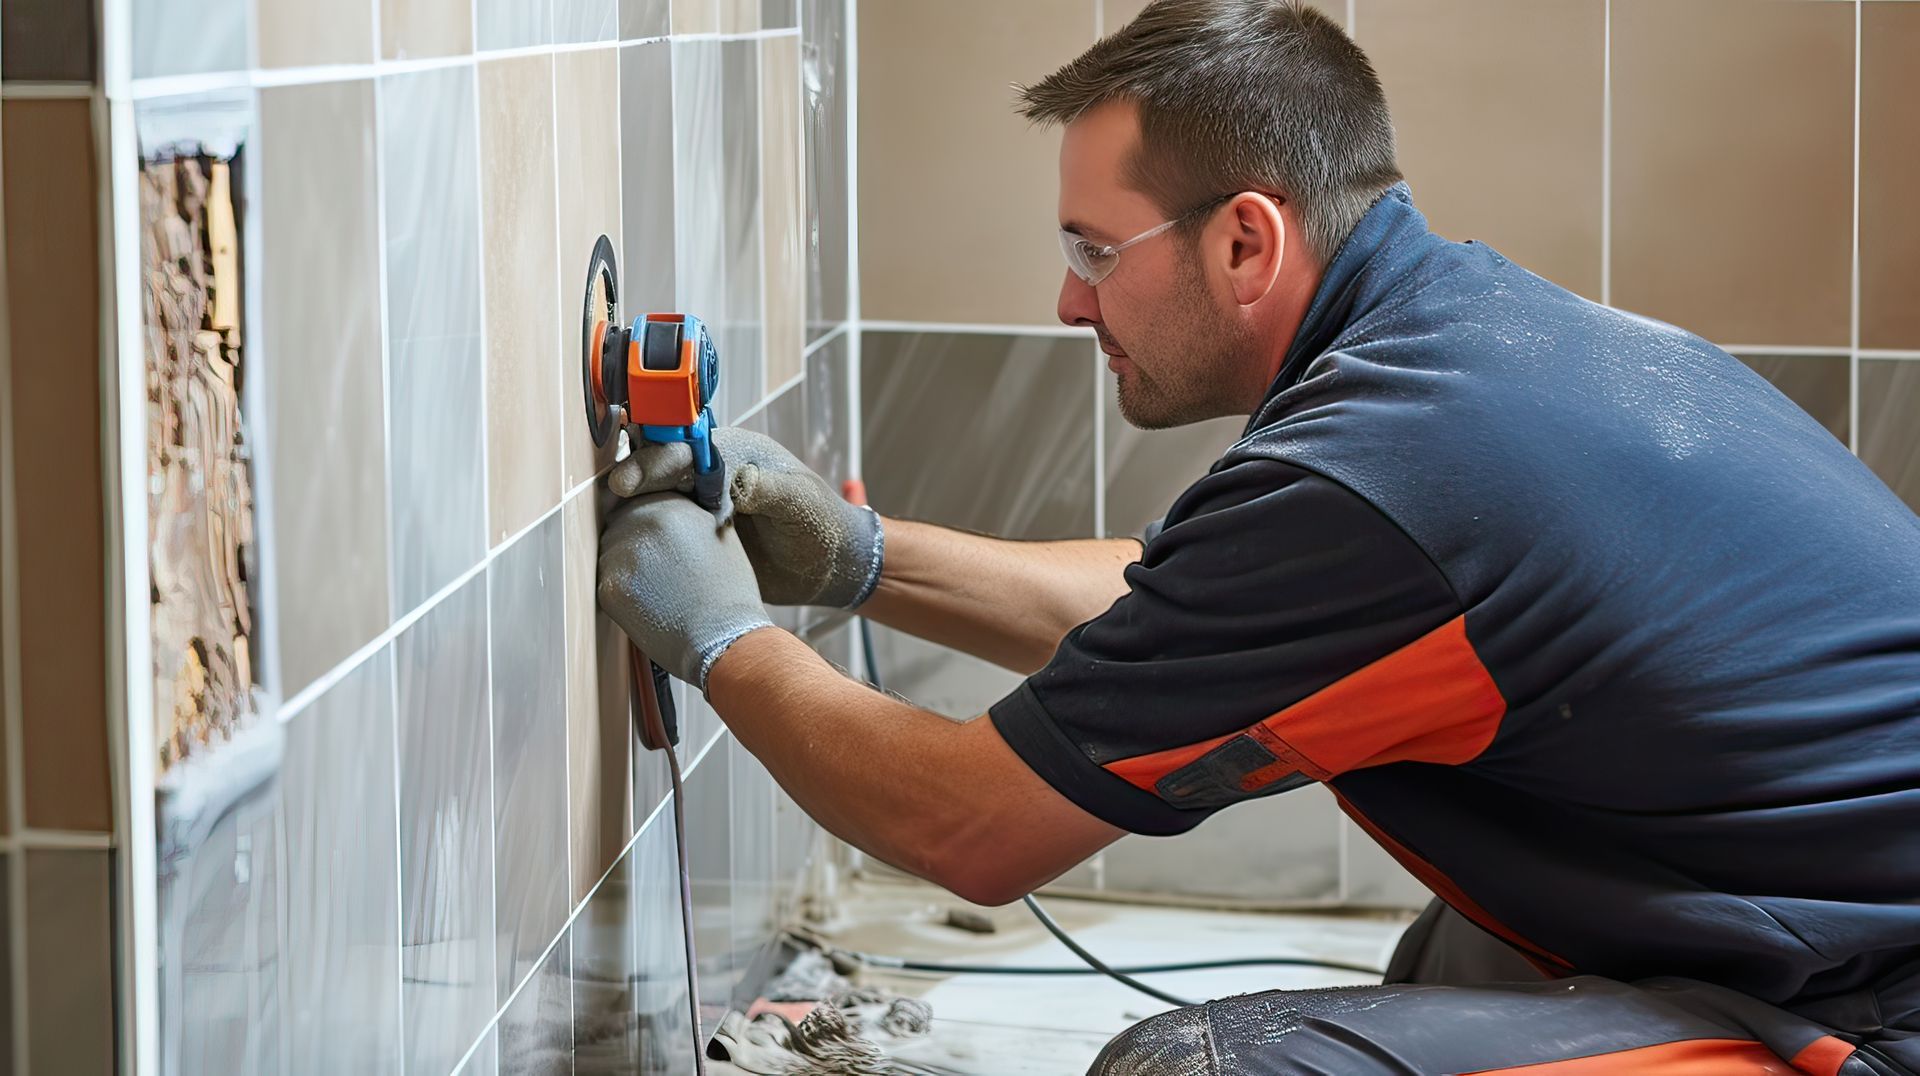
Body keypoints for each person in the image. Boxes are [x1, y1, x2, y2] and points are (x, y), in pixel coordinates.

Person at [595, 1, 1920, 1071]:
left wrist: (725, 643)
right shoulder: (1454, 349)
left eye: (1093, 248)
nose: (1067, 300)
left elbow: (969, 833)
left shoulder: (1390, 469)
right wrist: (859, 559)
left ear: (1244, 240)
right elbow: (1182, 609)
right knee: (1443, 969)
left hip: (1873, 1009)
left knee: (1209, 1071)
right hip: (1825, 919)